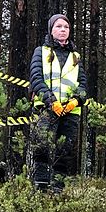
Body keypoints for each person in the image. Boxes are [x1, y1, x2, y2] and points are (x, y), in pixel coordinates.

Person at [30, 14, 87, 191]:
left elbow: (83, 84)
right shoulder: (41, 51)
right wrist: (50, 101)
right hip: (46, 109)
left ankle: (58, 188)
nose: (63, 30)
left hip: (70, 112)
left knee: (65, 151)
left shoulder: (75, 57)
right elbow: (36, 78)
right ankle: (41, 185)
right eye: (59, 26)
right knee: (42, 145)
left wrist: (76, 101)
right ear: (51, 30)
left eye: (66, 27)